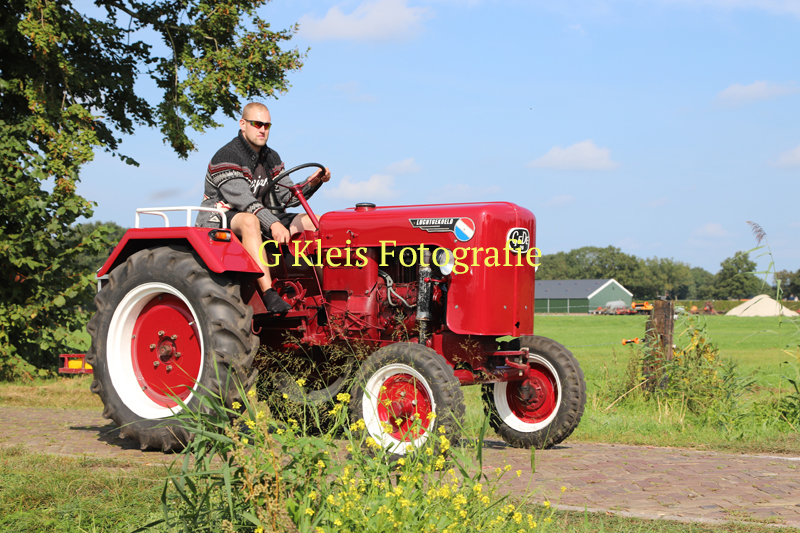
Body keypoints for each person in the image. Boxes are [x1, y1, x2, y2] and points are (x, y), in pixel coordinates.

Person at [196, 102, 331, 312]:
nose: (262, 130)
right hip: (222, 217)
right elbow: (243, 200)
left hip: (262, 216)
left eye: (267, 125)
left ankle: (331, 296)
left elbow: (287, 197)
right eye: (257, 124)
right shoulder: (227, 156)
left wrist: (312, 184)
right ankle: (269, 293)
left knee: (318, 223)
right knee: (250, 220)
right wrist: (274, 224)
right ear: (243, 124)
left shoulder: (271, 157)